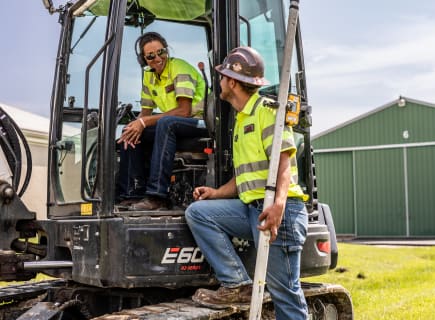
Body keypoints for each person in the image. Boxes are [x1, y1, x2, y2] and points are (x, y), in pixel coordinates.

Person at [185, 47, 309, 319]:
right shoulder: (241, 119)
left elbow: (284, 165)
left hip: (281, 213)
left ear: (232, 81)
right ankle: (238, 284)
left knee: (284, 293)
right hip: (252, 210)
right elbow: (246, 177)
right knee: (198, 213)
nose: (218, 82)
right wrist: (216, 193)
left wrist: (278, 205)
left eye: (221, 77)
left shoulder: (267, 111)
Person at [116, 32, 207, 210]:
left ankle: (157, 196)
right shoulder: (148, 77)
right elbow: (145, 113)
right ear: (143, 59)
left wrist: (144, 122)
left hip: (198, 122)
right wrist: (135, 126)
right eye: (150, 56)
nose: (157, 58)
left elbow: (184, 111)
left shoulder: (180, 69)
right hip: (175, 123)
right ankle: (132, 193)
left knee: (165, 124)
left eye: (161, 52)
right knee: (131, 131)